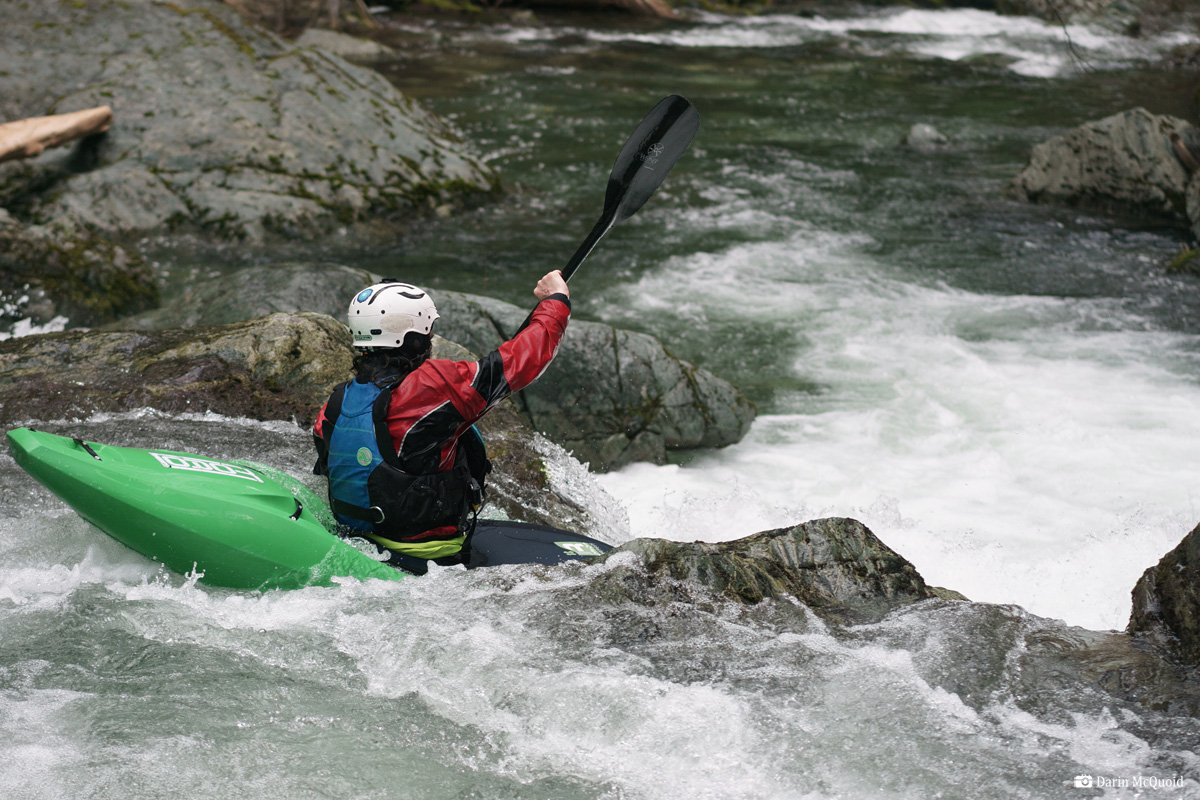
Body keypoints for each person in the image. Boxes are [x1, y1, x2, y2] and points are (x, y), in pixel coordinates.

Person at [312, 271, 571, 574]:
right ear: (414, 339)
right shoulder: (431, 388)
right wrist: (556, 301)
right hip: (433, 557)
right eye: (428, 332)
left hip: (362, 546)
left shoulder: (335, 404)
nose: (431, 339)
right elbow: (519, 362)